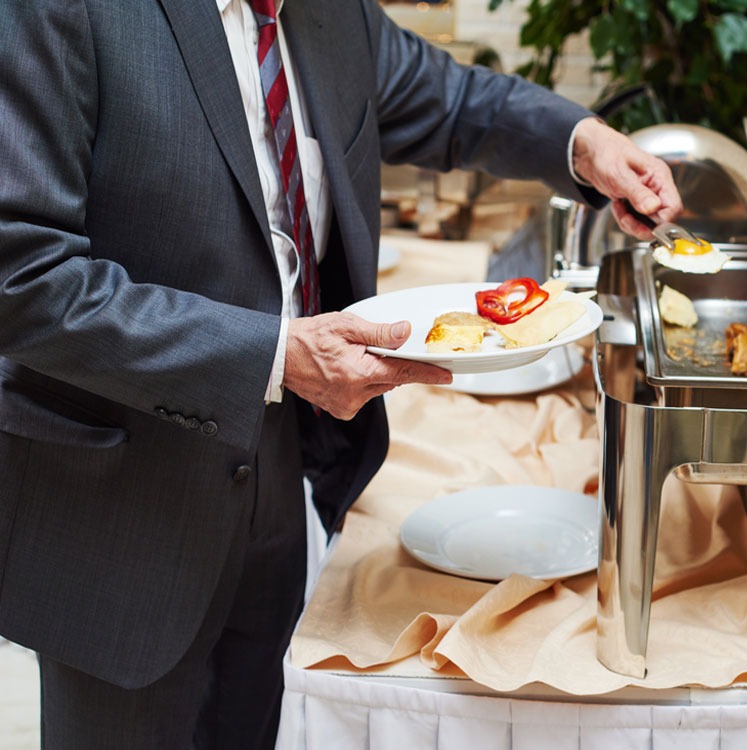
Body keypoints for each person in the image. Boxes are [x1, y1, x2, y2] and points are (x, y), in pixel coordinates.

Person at [0, 0, 681, 747]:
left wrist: (584, 144)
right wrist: (272, 355)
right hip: (123, 507)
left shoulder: (327, 14)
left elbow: (454, 102)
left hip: (280, 472)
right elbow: (24, 279)